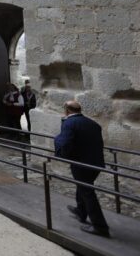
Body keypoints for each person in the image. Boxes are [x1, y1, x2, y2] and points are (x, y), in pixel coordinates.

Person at [54, 101, 110, 237]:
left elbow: (65, 142)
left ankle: (100, 226)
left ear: (67, 110)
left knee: (87, 192)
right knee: (84, 186)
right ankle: (81, 211)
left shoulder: (69, 123)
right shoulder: (93, 123)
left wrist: (60, 152)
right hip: (96, 163)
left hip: (81, 163)